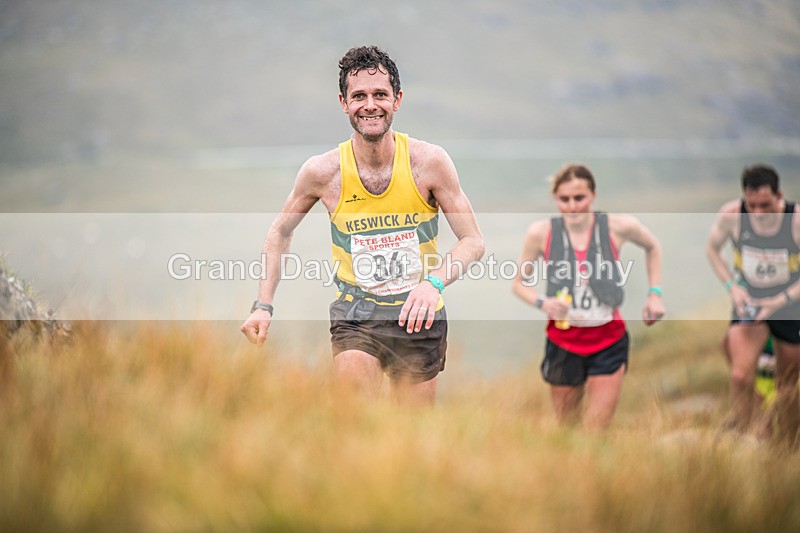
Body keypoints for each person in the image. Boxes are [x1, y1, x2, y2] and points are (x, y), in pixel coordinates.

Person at [240, 46, 484, 406]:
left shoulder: (429, 163)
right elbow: (280, 231)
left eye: (380, 94)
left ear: (397, 99)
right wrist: (263, 305)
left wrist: (433, 284)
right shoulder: (323, 172)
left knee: (412, 437)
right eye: (359, 96)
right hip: (356, 312)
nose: (370, 105)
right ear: (343, 102)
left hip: (418, 312)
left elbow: (472, 240)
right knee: (355, 417)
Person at [512, 163, 666, 429]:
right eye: (564, 199)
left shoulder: (619, 226)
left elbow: (653, 246)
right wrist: (543, 302)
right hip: (563, 341)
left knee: (597, 429)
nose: (572, 206)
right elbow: (518, 284)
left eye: (579, 198)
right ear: (556, 199)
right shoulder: (541, 233)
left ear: (593, 195)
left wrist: (655, 294)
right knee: (567, 428)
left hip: (608, 339)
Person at [706, 164, 800, 441]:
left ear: (779, 195)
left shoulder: (795, 221)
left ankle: (775, 432)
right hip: (750, 300)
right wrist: (731, 286)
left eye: (766, 205)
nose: (758, 213)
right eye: (752, 204)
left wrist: (780, 300)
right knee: (739, 376)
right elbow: (712, 250)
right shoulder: (732, 215)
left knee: (788, 385)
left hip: (790, 304)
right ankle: (746, 435)